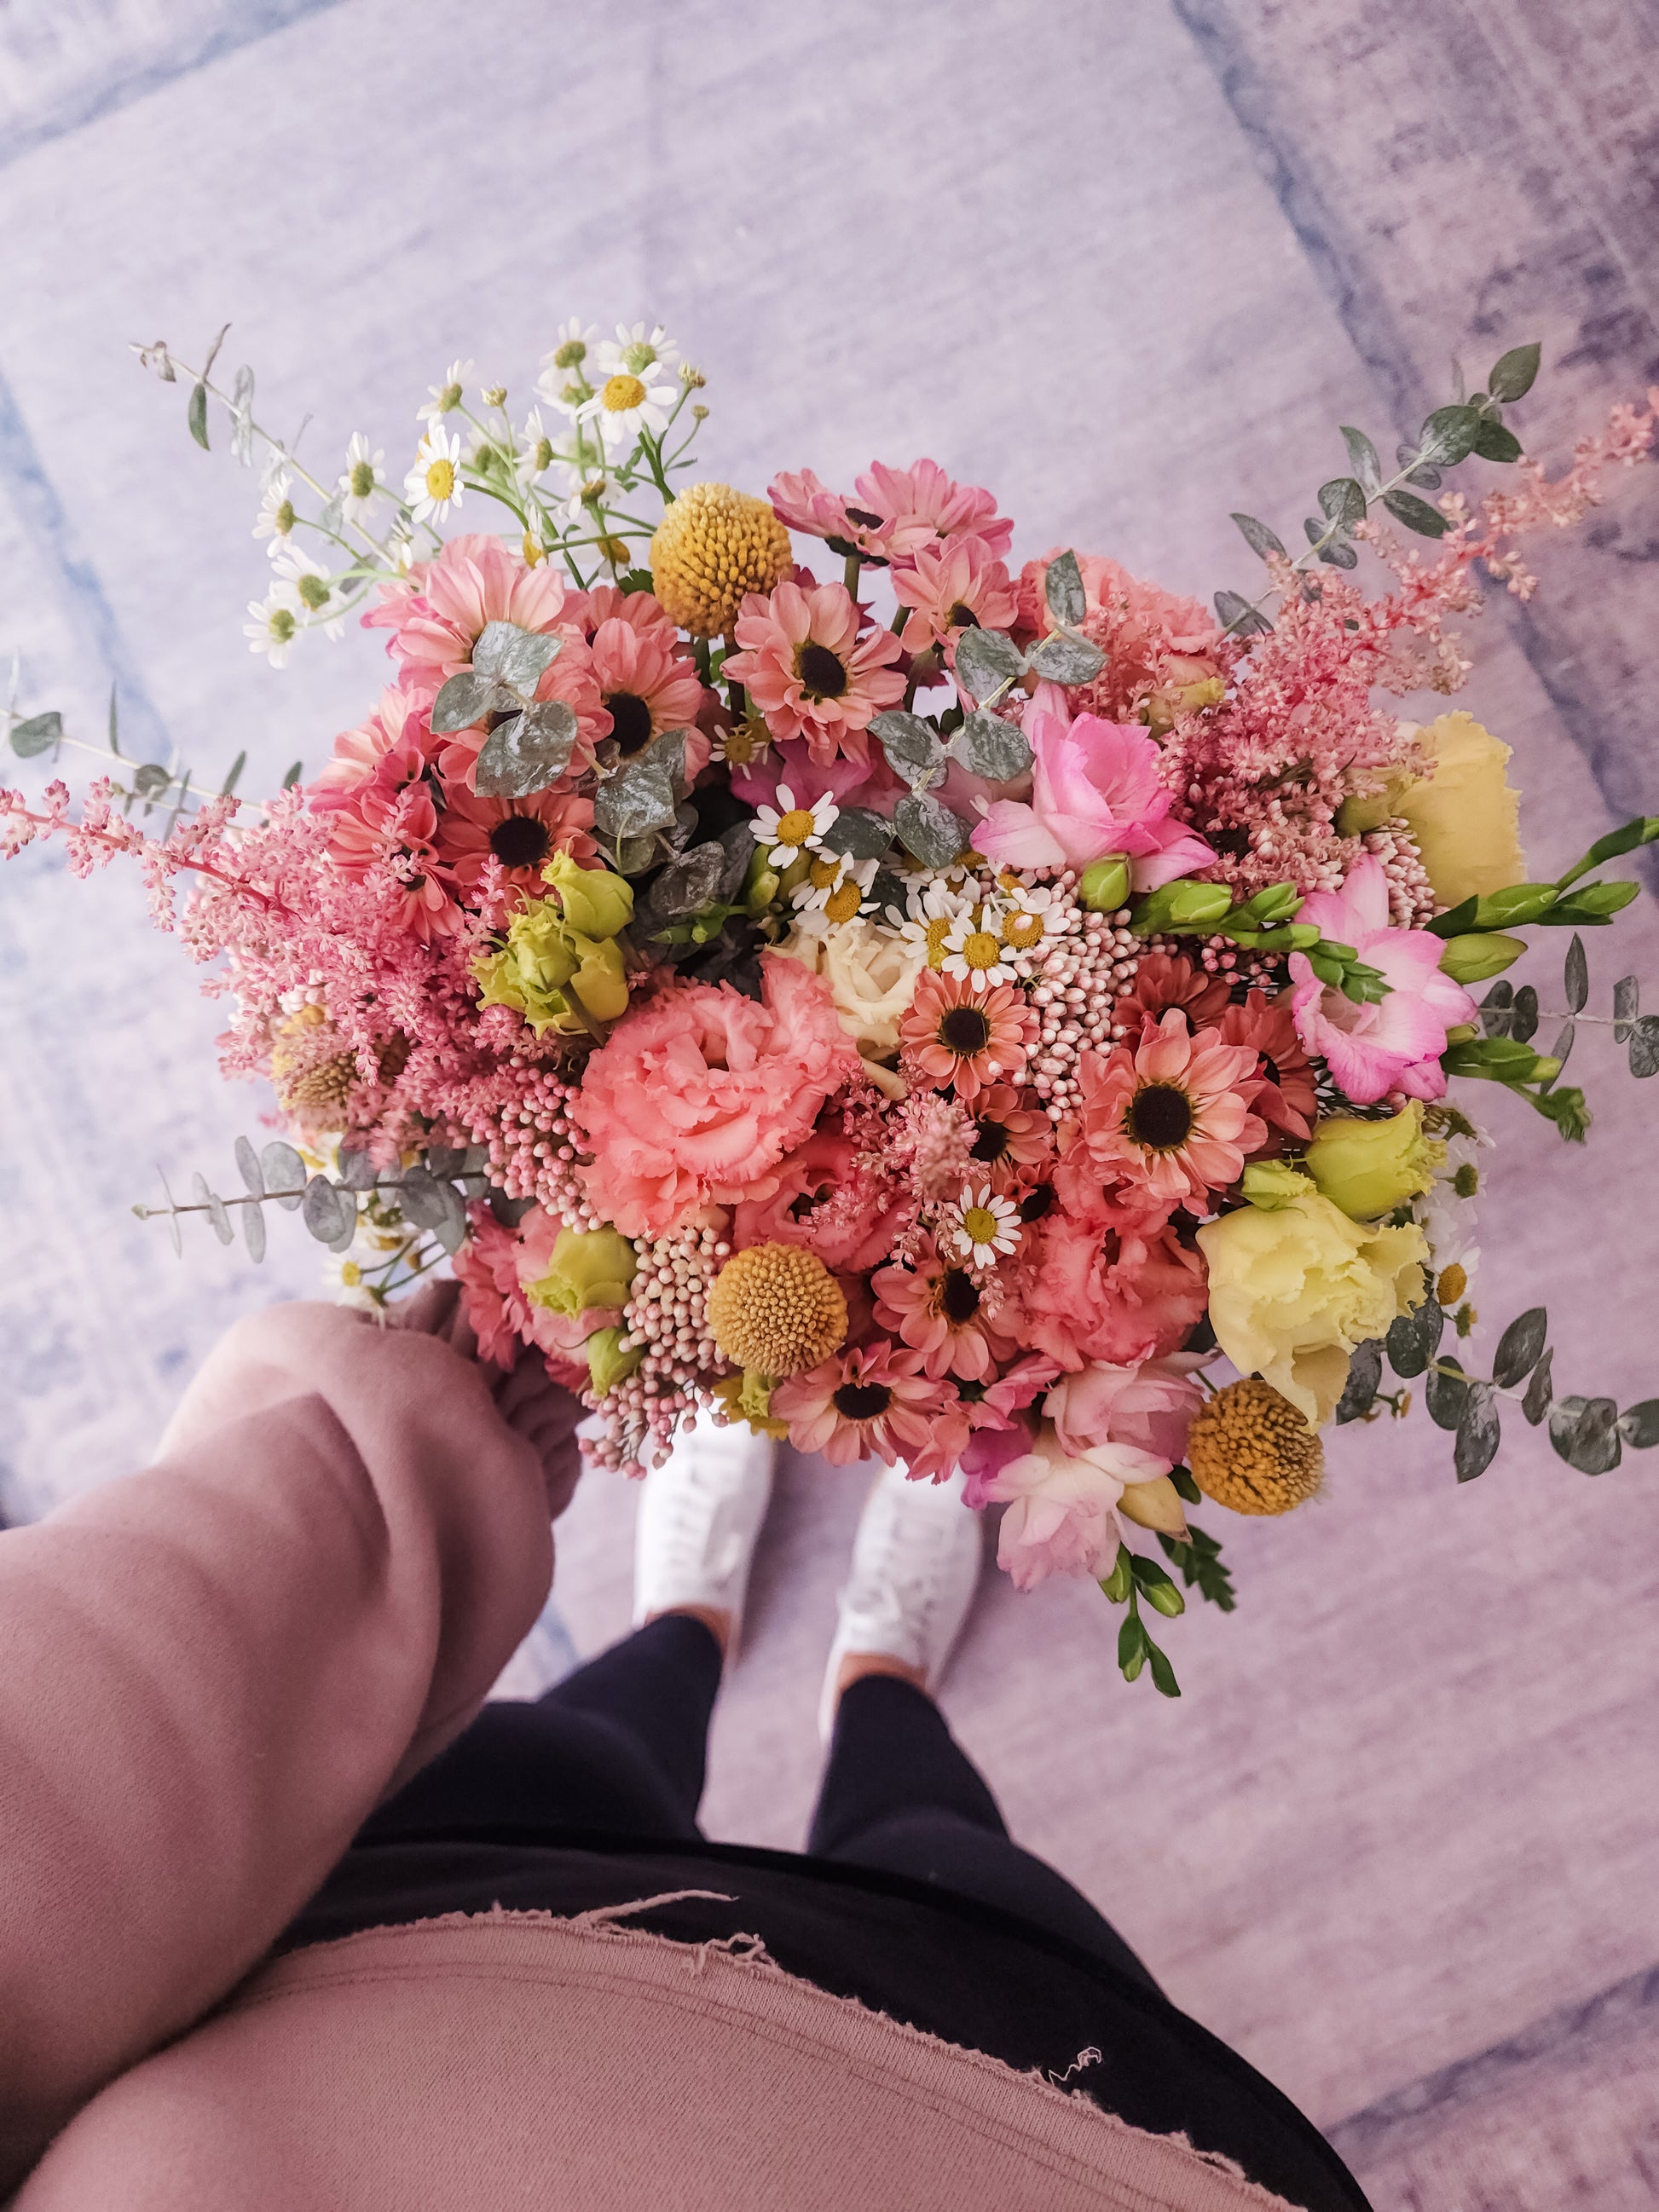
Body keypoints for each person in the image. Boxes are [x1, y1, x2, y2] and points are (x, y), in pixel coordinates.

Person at [0, 1290, 1370, 2210]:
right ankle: (878, 1672)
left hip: (441, 1940)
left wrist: (405, 1460)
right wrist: (399, 1454)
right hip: (1064, 2119)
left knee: (589, 1757)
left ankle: (691, 1620)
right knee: (940, 1853)